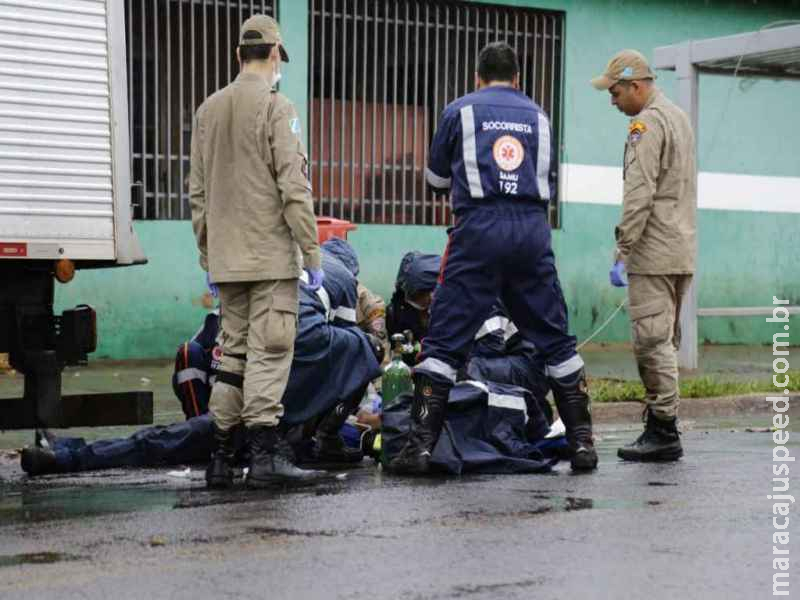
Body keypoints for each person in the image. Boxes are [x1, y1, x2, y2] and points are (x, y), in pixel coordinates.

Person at [388, 43, 596, 476]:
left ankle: (419, 448)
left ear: (478, 76)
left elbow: (435, 179)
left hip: (478, 230)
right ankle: (581, 444)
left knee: (444, 340)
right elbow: (549, 183)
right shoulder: (539, 116)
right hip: (532, 230)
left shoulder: (459, 111)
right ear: (517, 78)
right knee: (555, 338)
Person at [19, 243, 384, 477]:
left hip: (254, 386)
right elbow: (339, 360)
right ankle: (65, 457)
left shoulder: (282, 264)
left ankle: (65, 455)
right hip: (272, 414)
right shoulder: (341, 287)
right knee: (364, 349)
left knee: (163, 442)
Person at [189, 14, 323, 489]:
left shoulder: (207, 110)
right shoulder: (276, 107)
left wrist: (210, 255)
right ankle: (264, 459)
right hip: (269, 260)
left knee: (232, 357)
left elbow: (198, 194)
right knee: (270, 350)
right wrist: (312, 252)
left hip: (227, 261)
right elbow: (293, 186)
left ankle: (222, 458)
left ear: (237, 55)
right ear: (273, 55)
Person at [591, 50, 696, 462]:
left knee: (652, 344)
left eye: (615, 92)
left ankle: (664, 431)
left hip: (652, 252)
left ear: (636, 85)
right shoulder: (678, 117)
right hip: (680, 247)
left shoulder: (645, 124)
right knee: (665, 341)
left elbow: (639, 193)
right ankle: (659, 423)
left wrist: (623, 249)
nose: (612, 101)